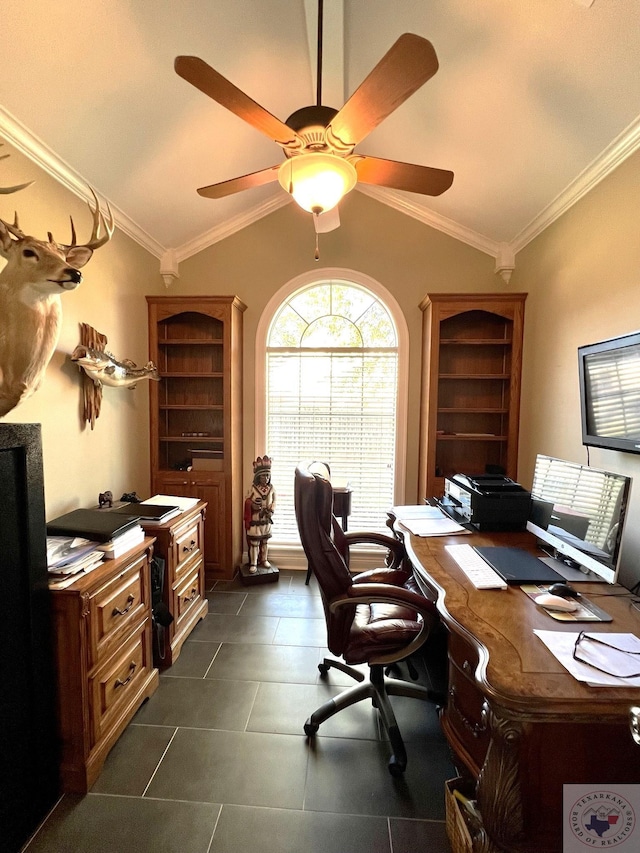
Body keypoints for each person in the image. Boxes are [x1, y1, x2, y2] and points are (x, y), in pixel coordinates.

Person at [244, 455, 276, 572]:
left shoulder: (271, 488)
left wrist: (271, 510)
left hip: (266, 519)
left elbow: (274, 501)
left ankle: (264, 559)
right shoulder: (253, 488)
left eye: (267, 475)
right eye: (263, 475)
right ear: (258, 476)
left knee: (265, 541)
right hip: (255, 518)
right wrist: (252, 505)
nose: (266, 478)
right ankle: (253, 563)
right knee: (255, 542)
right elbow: (247, 500)